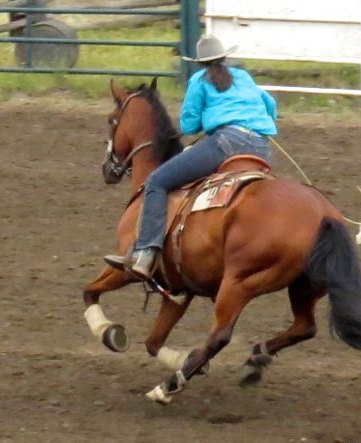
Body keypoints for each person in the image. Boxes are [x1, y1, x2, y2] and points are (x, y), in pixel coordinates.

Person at [105, 35, 278, 279]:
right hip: (260, 147)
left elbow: (188, 125)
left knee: (156, 181)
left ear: (200, 63)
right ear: (225, 57)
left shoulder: (199, 80)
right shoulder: (243, 77)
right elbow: (270, 105)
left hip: (225, 143)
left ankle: (145, 253)